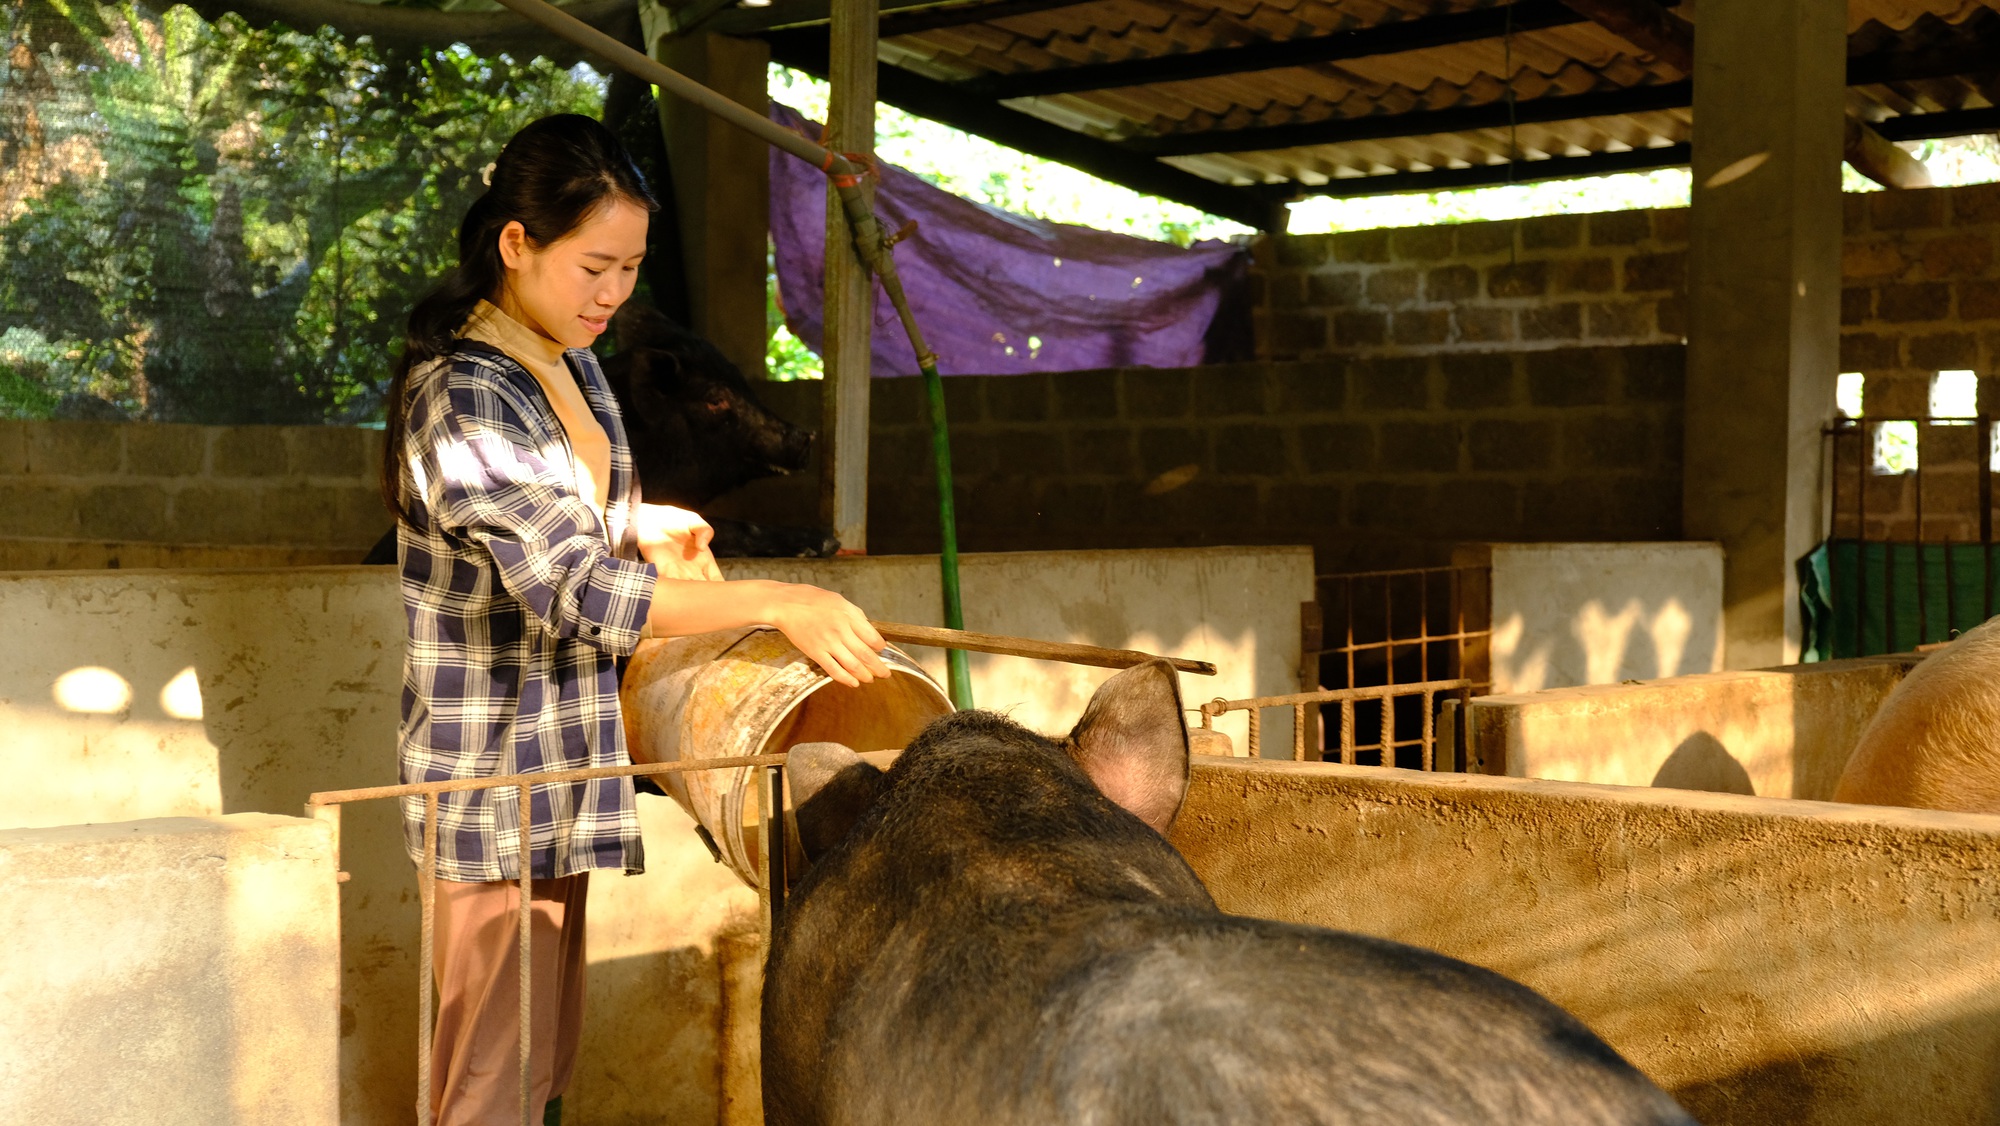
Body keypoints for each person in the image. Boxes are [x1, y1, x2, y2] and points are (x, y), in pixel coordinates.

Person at [379, 113, 890, 1126]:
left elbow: (560, 522)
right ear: (515, 243)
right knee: (490, 1075)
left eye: (630, 268)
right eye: (592, 266)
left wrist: (630, 516)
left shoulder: (565, 361)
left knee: (535, 1058)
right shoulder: (466, 392)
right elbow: (571, 591)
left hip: (564, 753)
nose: (611, 293)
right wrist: (774, 597)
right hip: (493, 771)